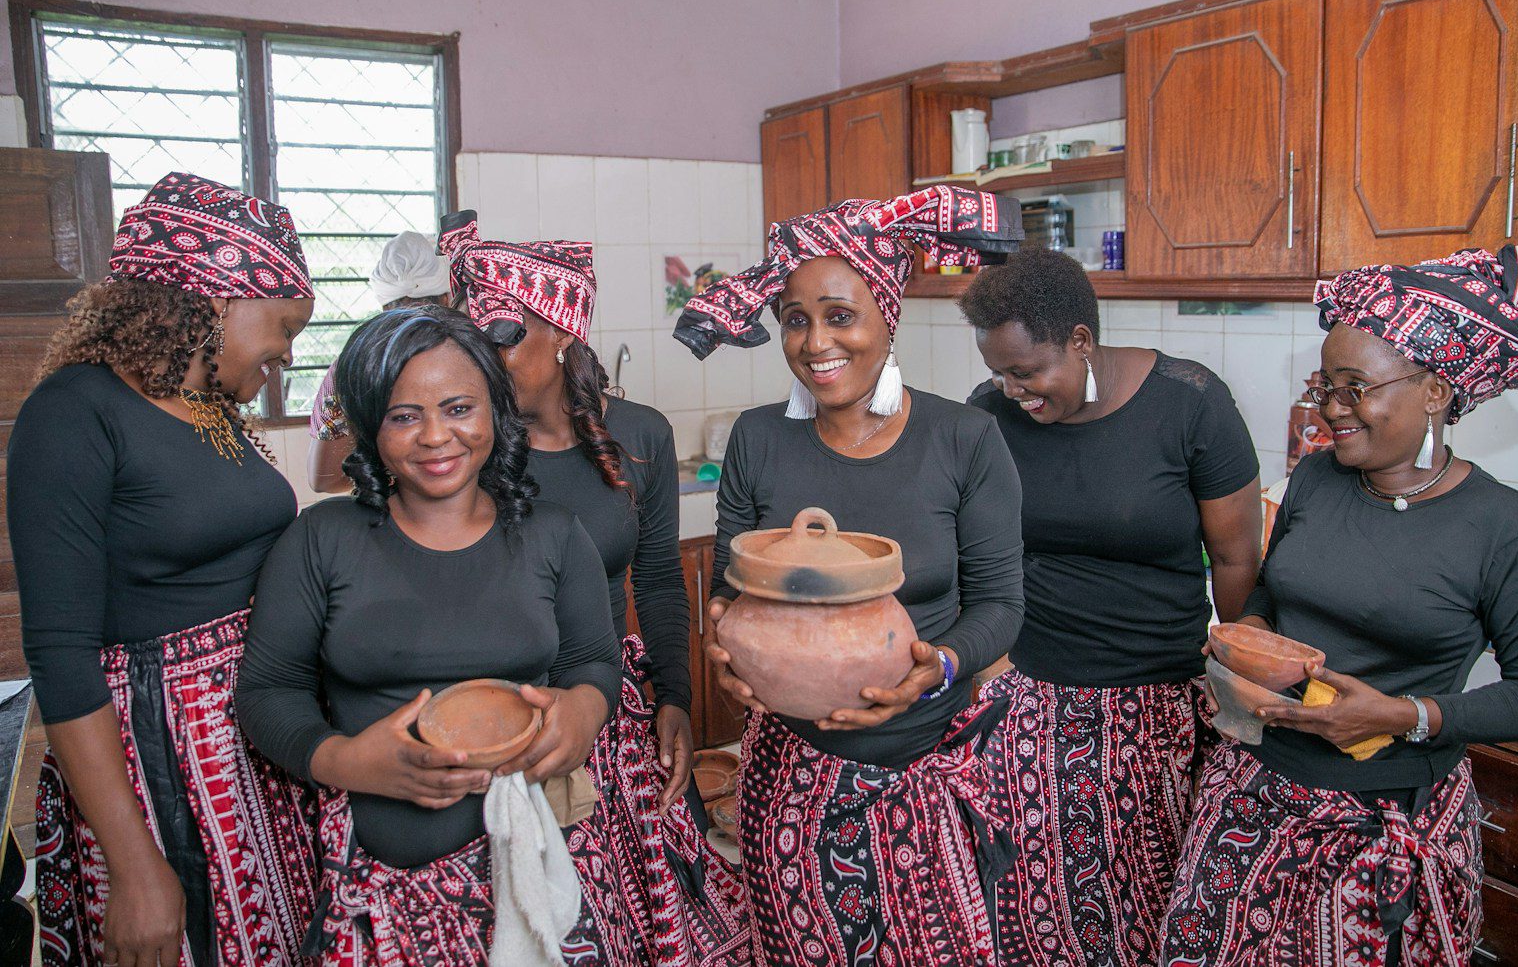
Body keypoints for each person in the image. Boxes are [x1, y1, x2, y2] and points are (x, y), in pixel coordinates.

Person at [1159, 245, 1518, 967]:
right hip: (1252, 794)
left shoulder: (1508, 531)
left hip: (1381, 820)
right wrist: (1253, 635)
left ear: (1435, 390)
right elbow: (1272, 587)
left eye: (1356, 387)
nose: (1332, 408)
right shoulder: (1319, 480)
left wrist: (1400, 714)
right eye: (1327, 384)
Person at [674, 185, 1027, 965]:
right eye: (795, 319)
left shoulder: (965, 439)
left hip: (936, 773)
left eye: (840, 315)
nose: (814, 341)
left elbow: (1002, 605)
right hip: (789, 784)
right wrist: (724, 652)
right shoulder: (759, 440)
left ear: (886, 315)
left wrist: (938, 667)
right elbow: (728, 593)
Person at [237, 305, 621, 964]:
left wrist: (583, 711)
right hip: (383, 895)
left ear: (495, 413)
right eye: (403, 415)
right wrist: (344, 760)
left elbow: (593, 659)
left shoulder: (555, 534)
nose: (436, 436)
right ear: (368, 425)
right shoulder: (321, 539)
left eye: (458, 407)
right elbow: (269, 690)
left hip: (545, 860)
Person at [10, 172, 318, 967]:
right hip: (160, 756)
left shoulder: (211, 410)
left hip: (250, 740)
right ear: (217, 298)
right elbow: (59, 651)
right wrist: (131, 860)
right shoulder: (74, 412)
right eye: (283, 326)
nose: (287, 352)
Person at [439, 211, 750, 964]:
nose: (484, 360)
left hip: (608, 710)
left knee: (627, 917)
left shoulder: (640, 436)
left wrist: (673, 696)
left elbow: (659, 582)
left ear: (565, 332)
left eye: (506, 337)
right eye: (472, 341)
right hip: (492, 724)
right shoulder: (462, 448)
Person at [957, 246, 1263, 967]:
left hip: (1155, 712)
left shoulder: (1190, 403)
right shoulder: (990, 413)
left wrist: (1241, 688)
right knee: (1030, 912)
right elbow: (977, 553)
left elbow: (1237, 559)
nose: (1013, 390)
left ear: (1082, 340)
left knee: (1149, 912)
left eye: (1027, 372)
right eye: (1000, 372)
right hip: (1029, 707)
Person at [307, 230, 450, 492]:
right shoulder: (473, 358)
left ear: (384, 306)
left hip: (386, 517)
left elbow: (323, 479)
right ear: (447, 298)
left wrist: (388, 478)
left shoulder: (351, 366)